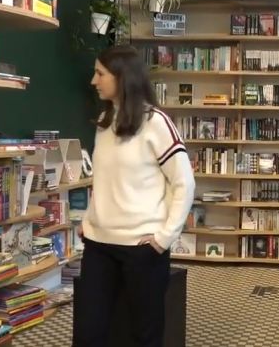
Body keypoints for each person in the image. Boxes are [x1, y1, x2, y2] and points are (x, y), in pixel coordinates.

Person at [74, 45, 196, 347]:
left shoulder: (156, 123)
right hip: (98, 246)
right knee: (89, 333)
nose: (93, 80)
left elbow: (184, 183)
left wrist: (164, 237)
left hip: (142, 249)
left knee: (144, 335)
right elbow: (106, 180)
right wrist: (89, 220)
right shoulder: (104, 122)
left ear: (122, 76)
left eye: (100, 73)